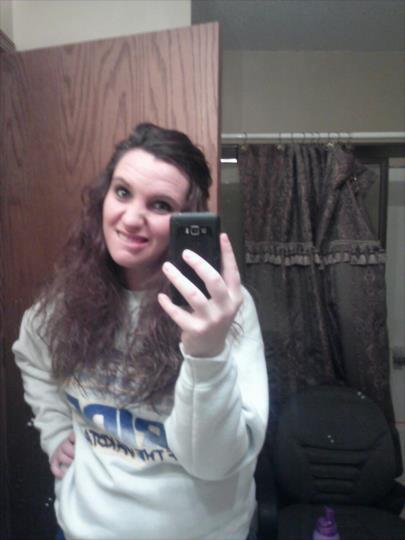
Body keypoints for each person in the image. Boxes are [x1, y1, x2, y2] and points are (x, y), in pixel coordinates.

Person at [13, 123, 269, 540]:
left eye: (160, 205)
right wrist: (55, 429)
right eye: (122, 192)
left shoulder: (223, 308)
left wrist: (207, 353)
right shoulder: (69, 296)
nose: (131, 218)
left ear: (187, 218)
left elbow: (213, 464)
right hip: (82, 529)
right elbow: (30, 353)